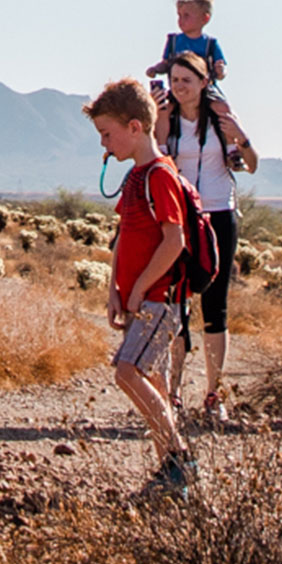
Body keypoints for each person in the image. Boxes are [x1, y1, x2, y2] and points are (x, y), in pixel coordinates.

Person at [88, 77, 198, 498]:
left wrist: (139, 290)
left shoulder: (160, 176)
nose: (104, 145)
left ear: (136, 128)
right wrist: (115, 290)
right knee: (148, 380)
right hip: (140, 298)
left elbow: (175, 241)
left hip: (160, 300)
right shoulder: (136, 177)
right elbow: (124, 235)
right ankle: (171, 474)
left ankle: (178, 460)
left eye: (107, 134)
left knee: (127, 372)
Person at [156, 51, 257, 422]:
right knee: (177, 303)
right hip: (180, 214)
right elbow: (159, 161)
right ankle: (174, 391)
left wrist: (240, 138)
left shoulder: (220, 120)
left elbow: (250, 164)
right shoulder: (167, 118)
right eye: (174, 80)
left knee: (216, 304)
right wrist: (160, 121)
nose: (179, 87)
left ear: (203, 82)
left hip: (219, 212)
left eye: (186, 80)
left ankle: (214, 394)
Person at [147, 0, 227, 97]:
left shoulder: (210, 44)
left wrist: (220, 71)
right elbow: (166, 64)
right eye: (179, 15)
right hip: (178, 90)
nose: (181, 20)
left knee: (222, 108)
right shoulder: (173, 41)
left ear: (204, 18)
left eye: (186, 16)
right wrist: (156, 69)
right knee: (162, 108)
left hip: (205, 92)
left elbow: (220, 70)